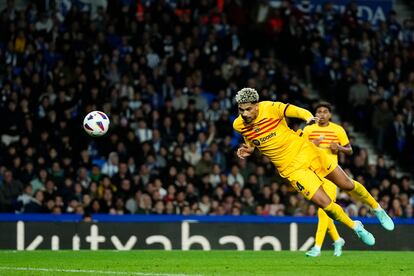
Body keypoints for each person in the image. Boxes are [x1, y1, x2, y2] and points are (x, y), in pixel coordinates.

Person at [233, 88, 394, 247]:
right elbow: (251, 138)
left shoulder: (269, 108)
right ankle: (356, 227)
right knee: (326, 205)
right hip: (291, 170)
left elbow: (295, 110)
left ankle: (377, 208)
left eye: (248, 109)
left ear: (257, 106)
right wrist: (249, 149)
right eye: (241, 110)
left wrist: (308, 117)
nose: (245, 114)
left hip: (307, 151)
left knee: (347, 184)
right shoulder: (238, 124)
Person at [302, 102, 352, 257]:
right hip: (313, 173)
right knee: (326, 209)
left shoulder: (338, 129)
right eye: (319, 111)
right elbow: (299, 150)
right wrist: (312, 145)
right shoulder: (308, 129)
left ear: (330, 114)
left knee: (323, 210)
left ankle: (317, 247)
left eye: (325, 111)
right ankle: (337, 240)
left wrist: (339, 148)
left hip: (331, 175)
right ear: (315, 114)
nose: (322, 114)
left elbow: (349, 150)